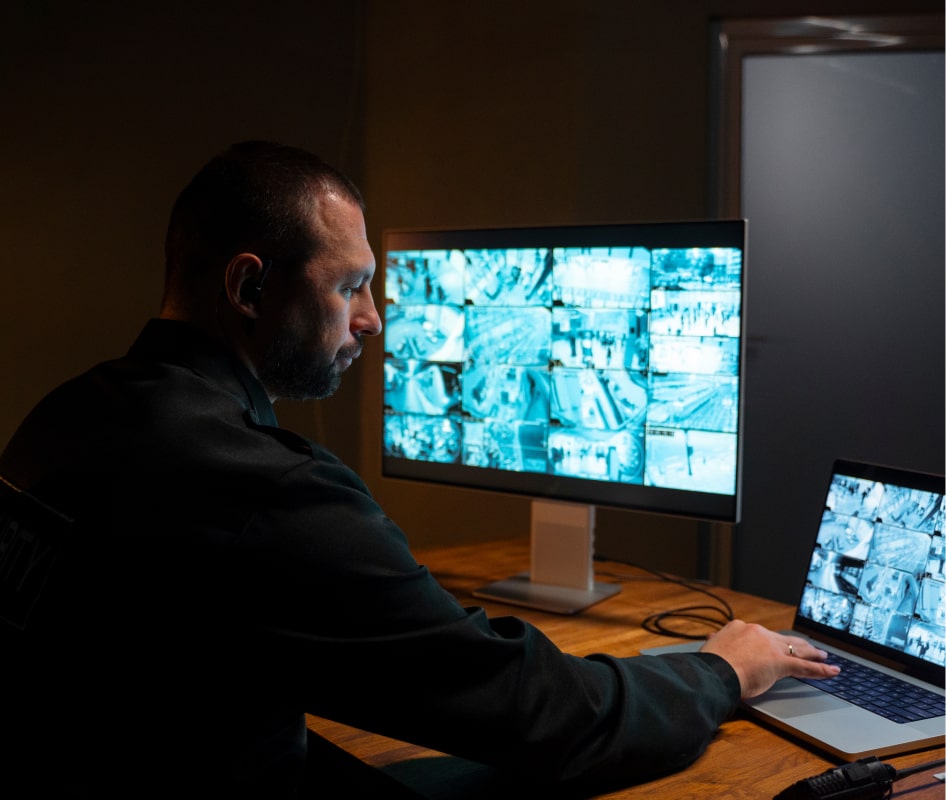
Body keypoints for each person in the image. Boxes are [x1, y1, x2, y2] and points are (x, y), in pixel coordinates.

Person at [0, 141, 839, 799]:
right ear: (250, 288)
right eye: (351, 286)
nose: (373, 319)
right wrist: (721, 668)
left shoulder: (68, 413)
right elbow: (540, 718)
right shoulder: (263, 488)